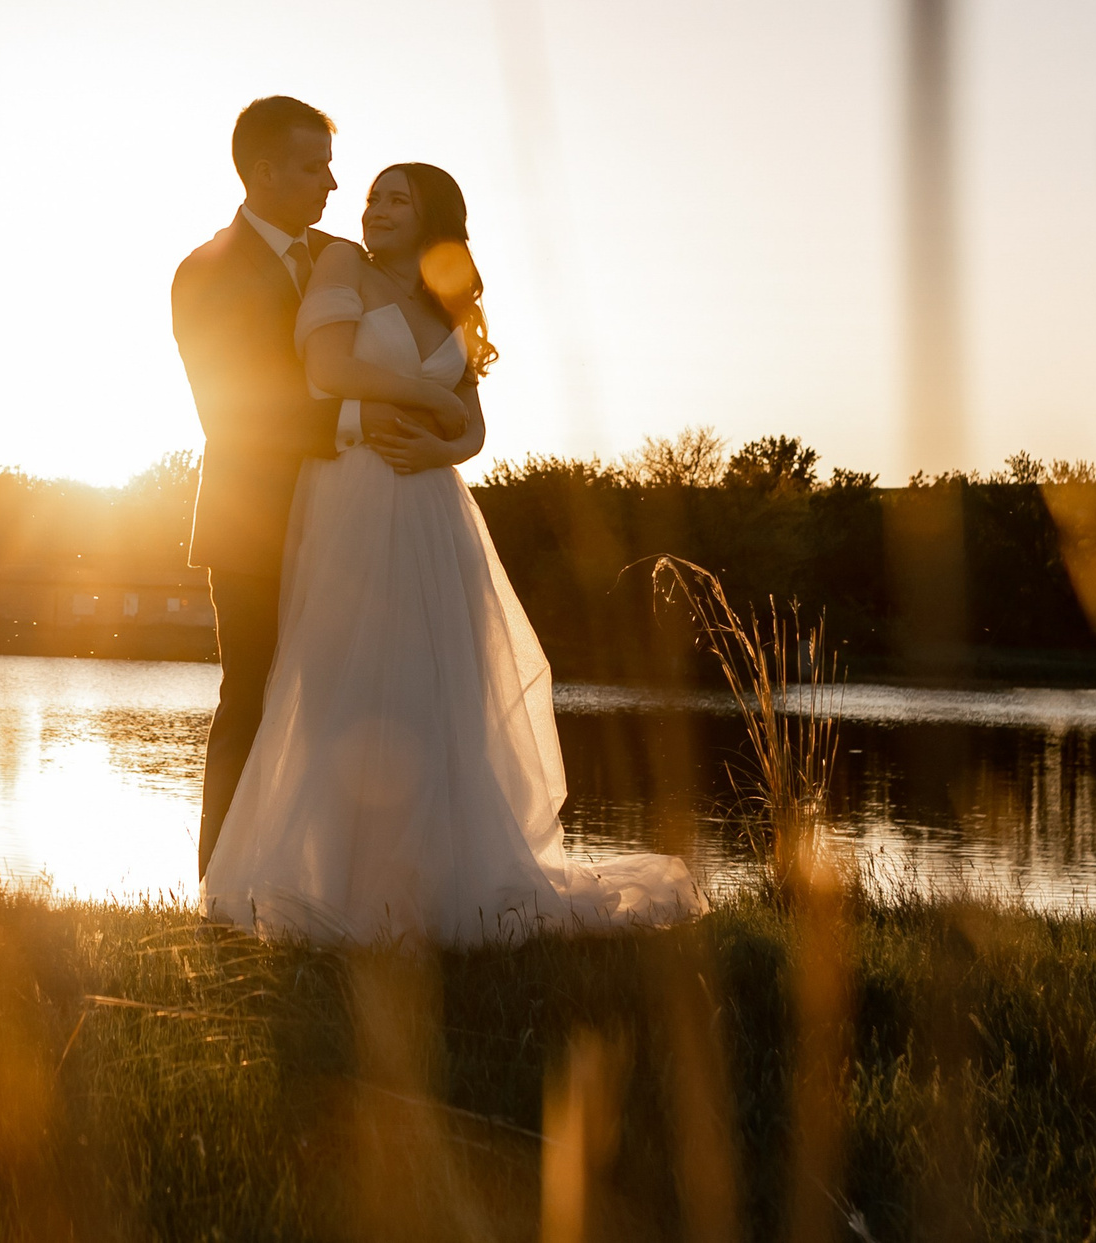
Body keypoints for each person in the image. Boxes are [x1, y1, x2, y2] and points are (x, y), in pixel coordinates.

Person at [199, 161, 706, 943]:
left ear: (434, 214)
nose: (372, 210)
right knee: (347, 677)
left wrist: (441, 442)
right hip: (355, 493)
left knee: (435, 688)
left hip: (434, 505)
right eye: (371, 198)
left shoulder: (449, 302)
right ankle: (325, 879)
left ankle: (430, 884)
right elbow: (327, 368)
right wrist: (430, 399)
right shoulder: (341, 264)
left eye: (394, 199)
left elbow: (473, 432)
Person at [170, 99, 466, 878]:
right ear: (263, 172)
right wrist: (366, 417)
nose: (334, 185)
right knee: (255, 699)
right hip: (254, 521)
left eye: (333, 168)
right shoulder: (205, 271)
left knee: (352, 699)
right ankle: (222, 890)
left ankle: (335, 880)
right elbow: (232, 411)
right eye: (313, 168)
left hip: (353, 517)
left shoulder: (345, 258)